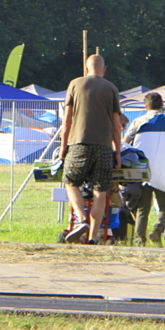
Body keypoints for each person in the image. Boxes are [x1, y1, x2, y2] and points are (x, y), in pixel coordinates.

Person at [60, 54, 122, 244]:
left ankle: (81, 219)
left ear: (86, 69)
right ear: (104, 70)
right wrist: (117, 152)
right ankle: (94, 237)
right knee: (100, 192)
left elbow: (67, 120)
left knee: (70, 182)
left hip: (78, 144)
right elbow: (116, 124)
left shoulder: (75, 84)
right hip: (103, 147)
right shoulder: (111, 88)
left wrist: (63, 147)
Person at [123, 92, 165, 247]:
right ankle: (158, 229)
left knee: (143, 206)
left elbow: (126, 141)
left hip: (142, 167)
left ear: (145, 106)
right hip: (163, 168)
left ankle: (139, 239)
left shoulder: (138, 121)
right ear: (161, 105)